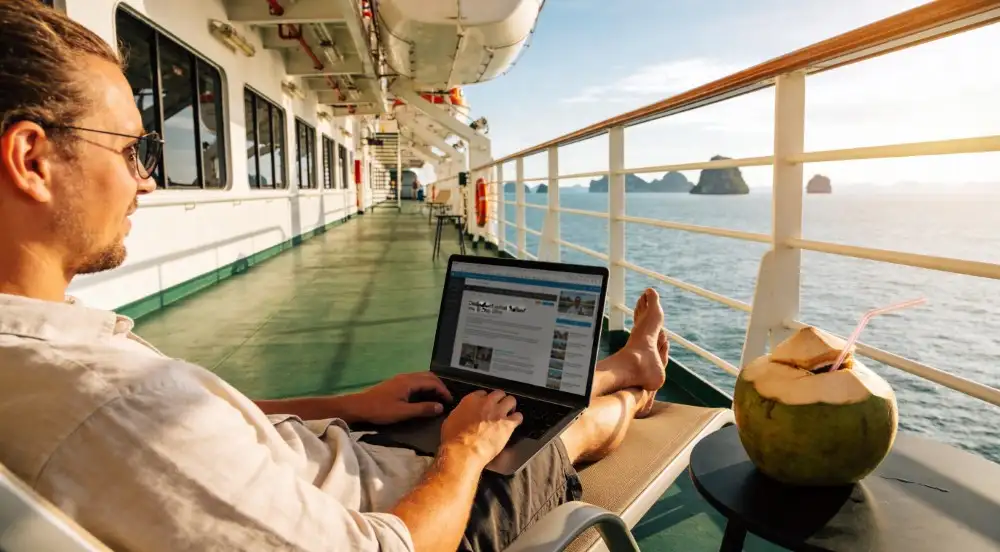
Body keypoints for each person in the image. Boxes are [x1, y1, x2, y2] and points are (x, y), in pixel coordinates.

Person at [0, 2, 670, 551]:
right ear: (32, 158)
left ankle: (616, 366)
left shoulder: (43, 364)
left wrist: (346, 406)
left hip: (334, 454)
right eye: (130, 150)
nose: (144, 180)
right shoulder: (104, 402)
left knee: (499, 399)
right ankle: (634, 389)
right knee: (560, 434)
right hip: (417, 508)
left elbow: (198, 430)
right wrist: (463, 455)